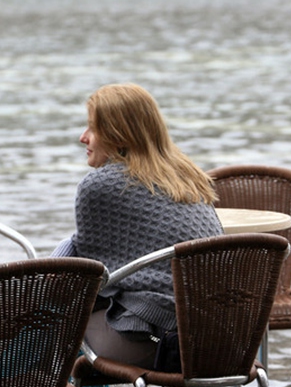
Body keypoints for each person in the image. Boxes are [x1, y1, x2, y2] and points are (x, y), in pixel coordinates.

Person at [54, 83, 224, 367]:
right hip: (221, 342)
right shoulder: (187, 176)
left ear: (118, 135)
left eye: (92, 129)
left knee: (47, 313)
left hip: (162, 344)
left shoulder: (101, 185)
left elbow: (84, 279)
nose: (83, 137)